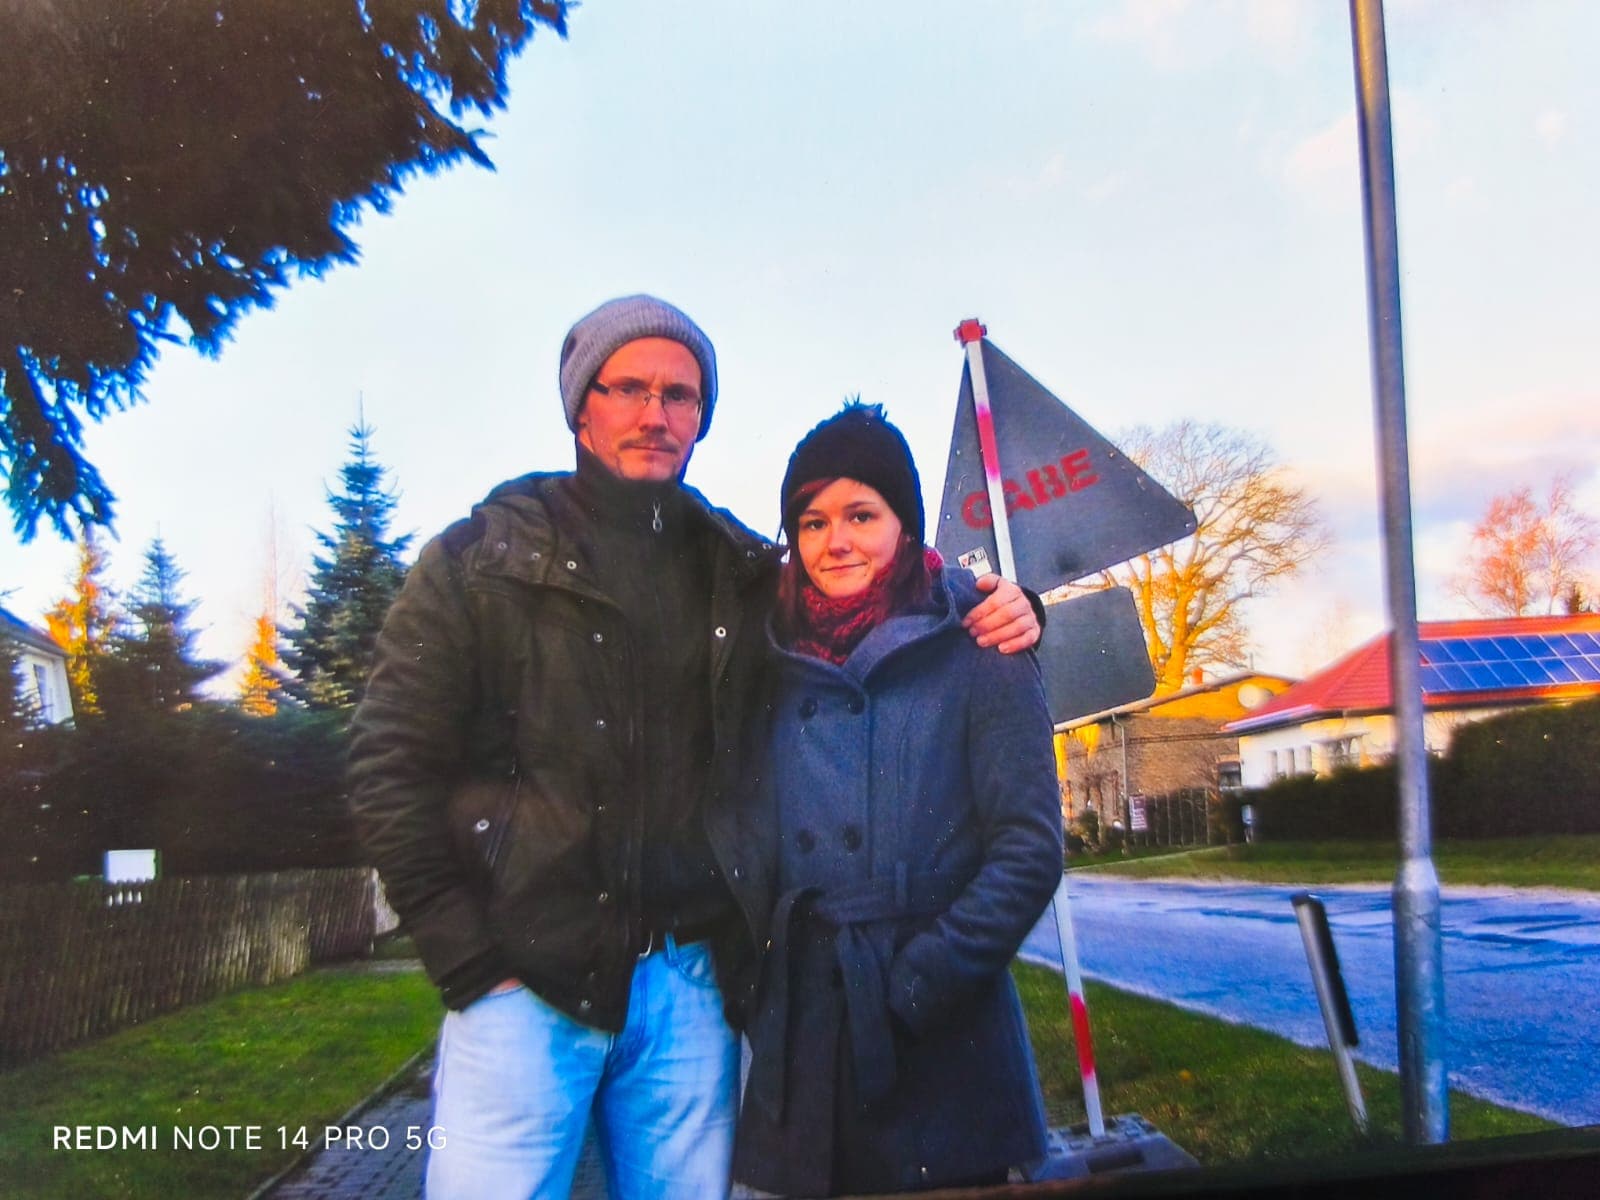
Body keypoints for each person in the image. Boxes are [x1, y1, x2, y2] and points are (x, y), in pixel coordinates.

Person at [346, 296, 1042, 1200]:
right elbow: (387, 765)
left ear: (701, 417)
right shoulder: (477, 561)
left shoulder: (733, 566)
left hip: (687, 990)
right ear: (580, 406)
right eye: (628, 388)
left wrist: (1013, 607)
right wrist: (469, 956)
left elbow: (886, 591)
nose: (655, 413)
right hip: (527, 984)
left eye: (680, 394)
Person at [728, 401, 1064, 1198]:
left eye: (861, 515)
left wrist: (920, 982)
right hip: (805, 1035)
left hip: (939, 1035)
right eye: (812, 522)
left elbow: (1028, 850)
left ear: (905, 526)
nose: (835, 541)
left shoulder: (981, 641)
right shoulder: (762, 656)